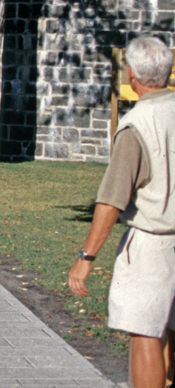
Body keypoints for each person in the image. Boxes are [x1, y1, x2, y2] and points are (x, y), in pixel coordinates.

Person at [70, 36, 175, 388]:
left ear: (131, 74)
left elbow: (111, 200)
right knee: (168, 327)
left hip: (153, 242)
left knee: (144, 330)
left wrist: (87, 256)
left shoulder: (137, 125)